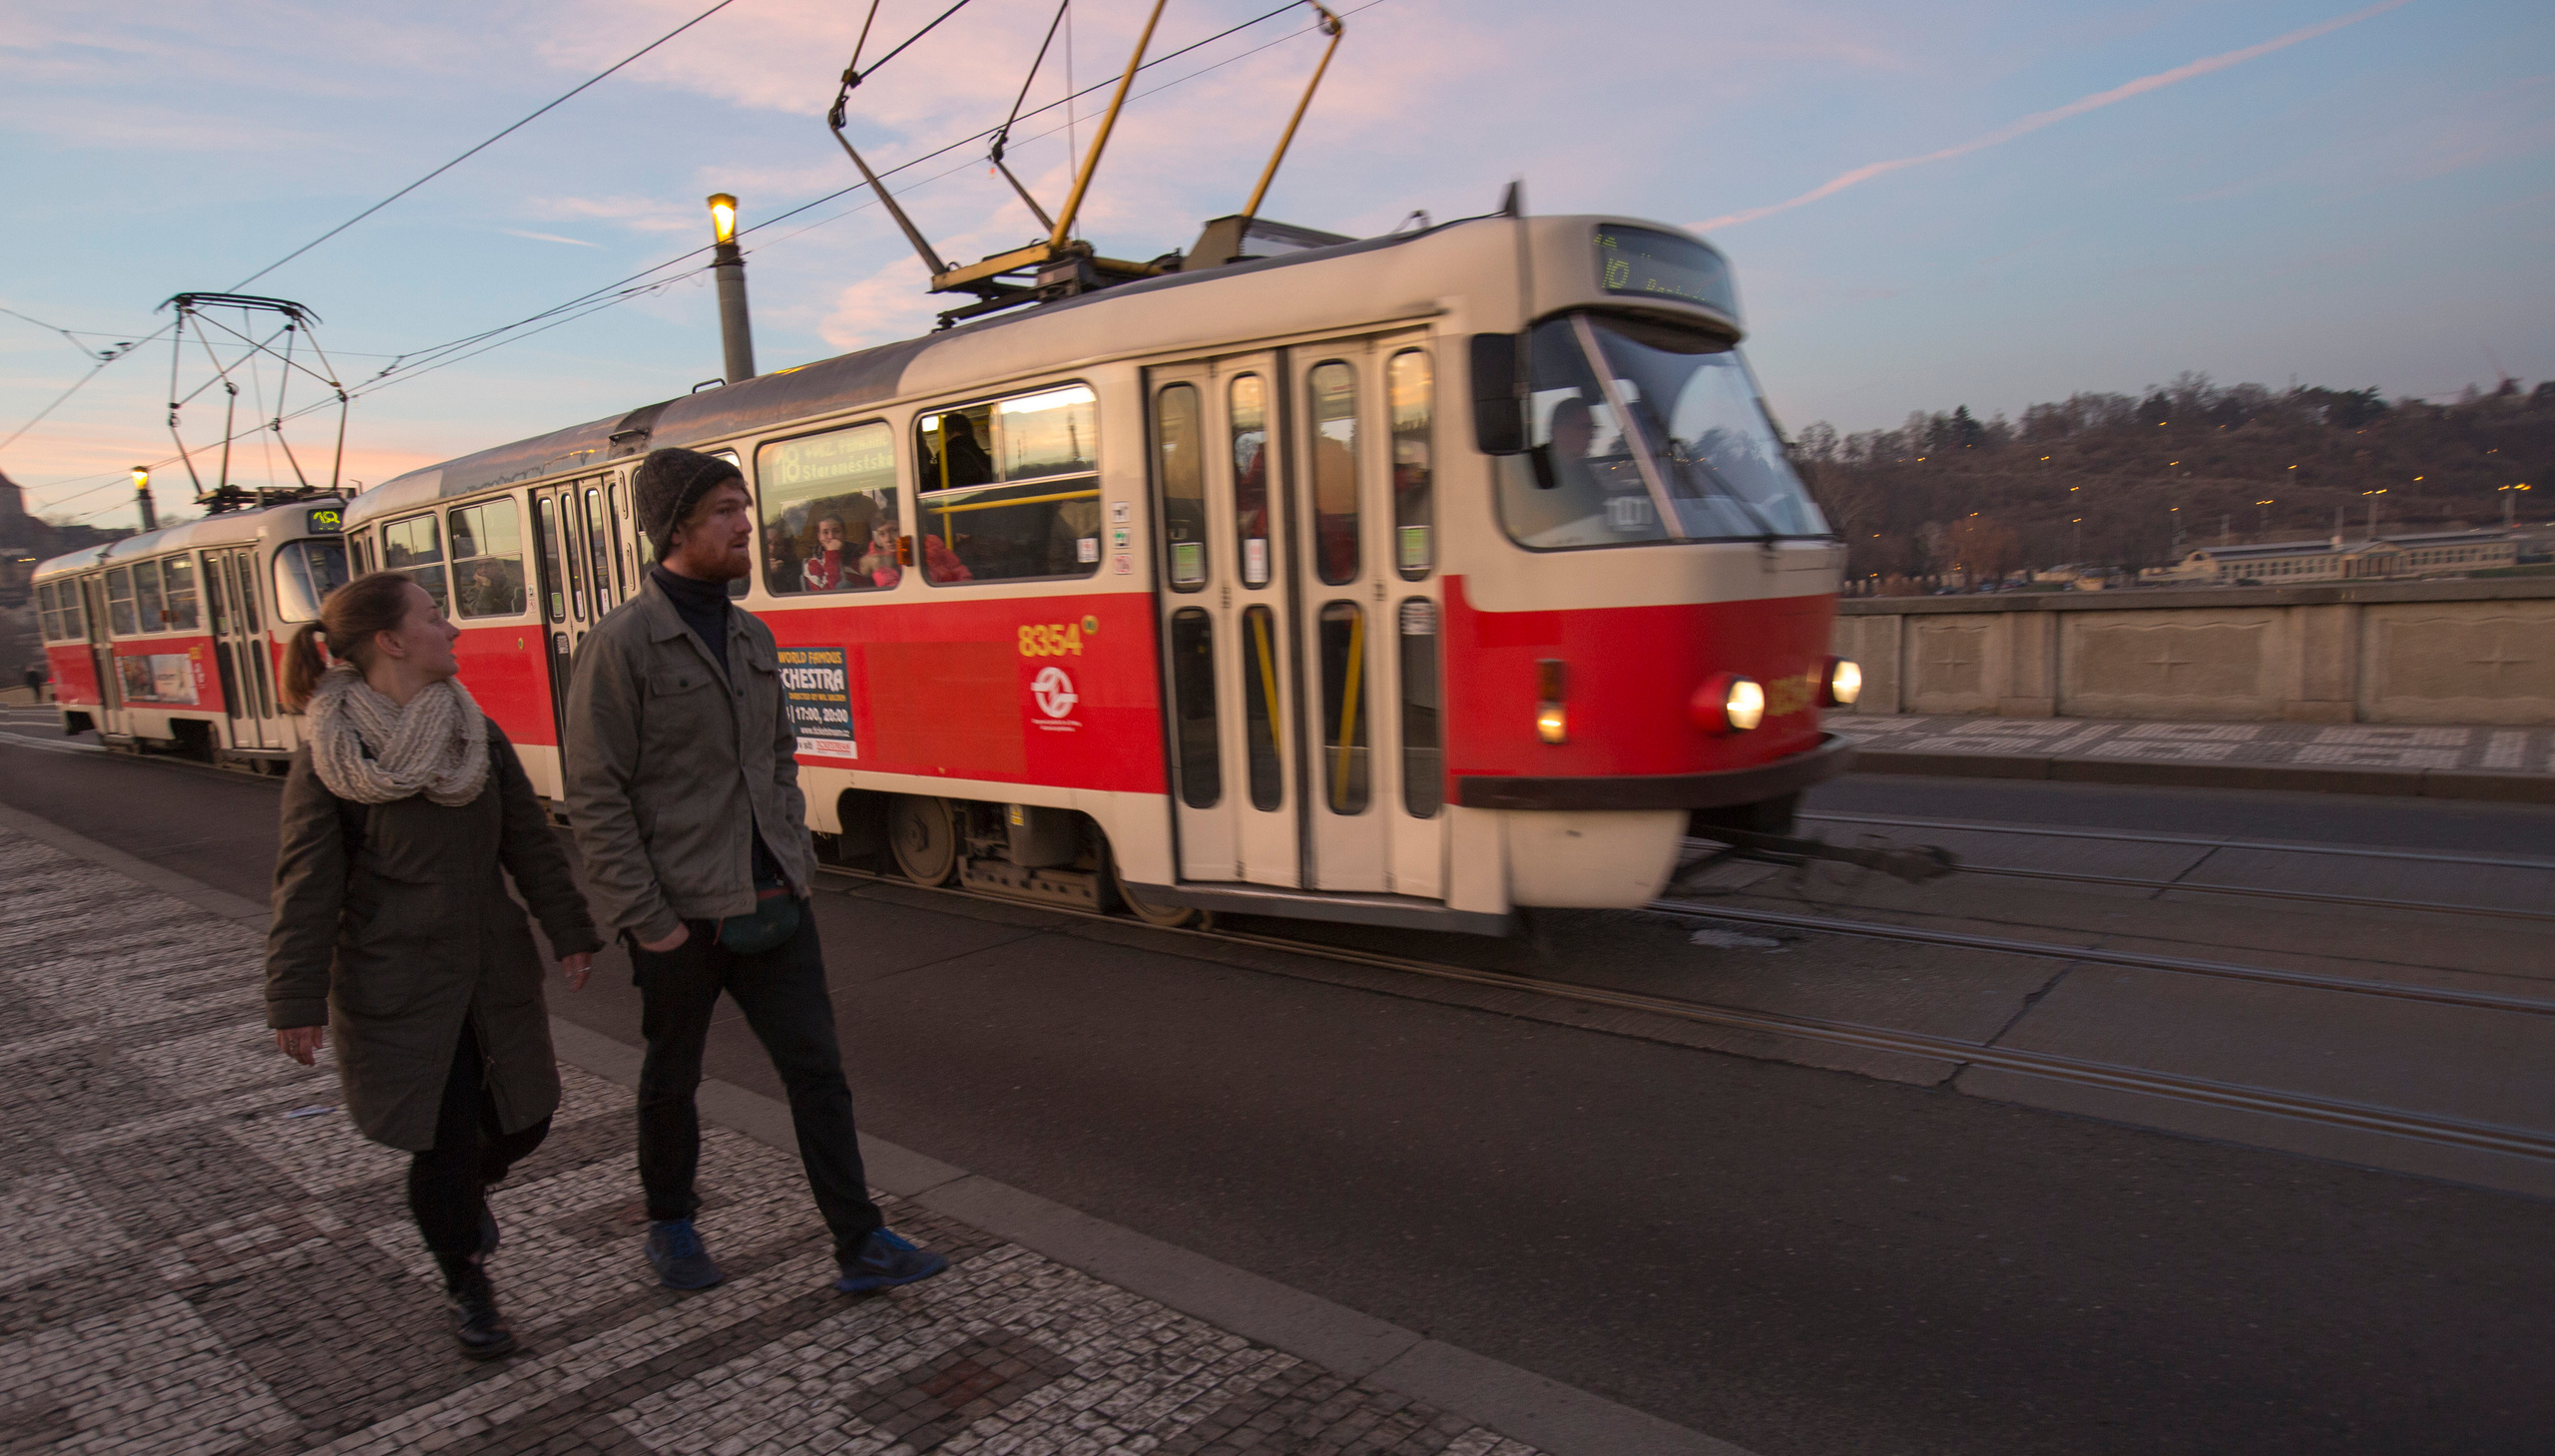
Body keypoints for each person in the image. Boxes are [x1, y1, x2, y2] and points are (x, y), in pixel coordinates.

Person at [562, 447, 946, 1296]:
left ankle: (861, 1242)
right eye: (727, 510)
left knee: (819, 1074)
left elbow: (777, 753)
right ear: (678, 529)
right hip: (682, 914)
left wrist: (795, 855)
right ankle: (670, 1223)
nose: (747, 524)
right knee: (674, 1076)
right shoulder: (622, 645)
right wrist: (647, 918)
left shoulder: (751, 633)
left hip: (774, 898)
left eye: (744, 506)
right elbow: (595, 794)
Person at [264, 571, 600, 1361]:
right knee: (442, 1143)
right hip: (397, 988)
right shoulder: (332, 754)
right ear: (390, 641)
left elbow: (529, 840)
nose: (451, 629)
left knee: (528, 1119)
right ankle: (468, 1284)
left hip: (491, 973)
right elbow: (307, 885)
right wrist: (294, 996)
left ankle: (464, 1195)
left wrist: (570, 927)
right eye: (433, 616)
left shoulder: (473, 733)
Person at [800, 515, 852, 591]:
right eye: (825, 532)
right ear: (819, 537)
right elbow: (829, 592)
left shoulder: (857, 556)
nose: (831, 537)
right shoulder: (813, 564)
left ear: (844, 534)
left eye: (836, 531)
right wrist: (832, 554)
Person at [764, 524, 802, 592]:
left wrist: (777, 574)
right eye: (768, 542)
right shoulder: (750, 565)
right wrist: (765, 572)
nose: (772, 548)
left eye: (777, 544)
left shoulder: (793, 568)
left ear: (784, 547)